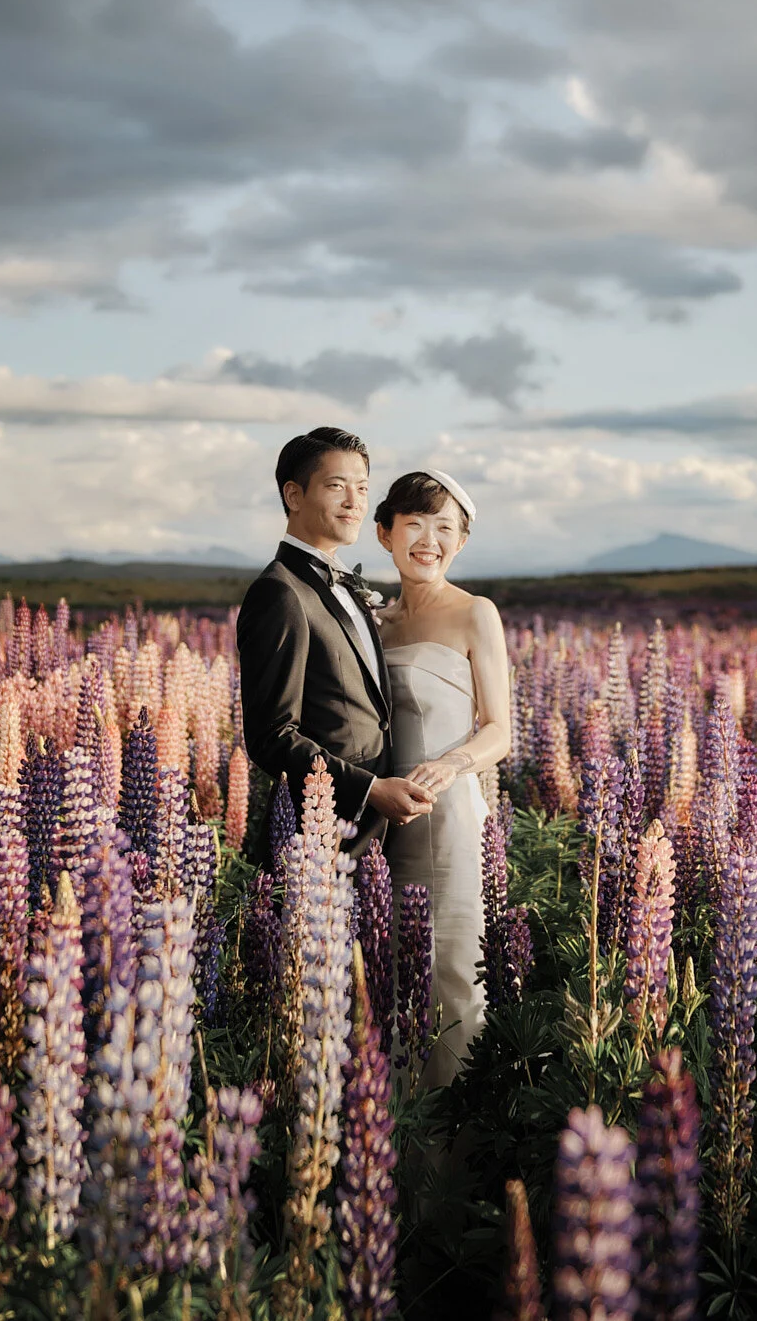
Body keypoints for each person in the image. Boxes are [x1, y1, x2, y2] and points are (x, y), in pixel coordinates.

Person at [372, 468, 511, 1088]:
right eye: (415, 524)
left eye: (445, 528)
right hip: (378, 816)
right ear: (386, 534)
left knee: (453, 970)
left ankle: (450, 1150)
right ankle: (396, 1144)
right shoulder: (374, 620)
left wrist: (453, 764)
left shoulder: (476, 613)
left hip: (450, 815)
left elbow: (499, 730)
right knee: (387, 973)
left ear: (460, 542)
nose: (429, 539)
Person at [236, 428, 435, 859]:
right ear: (293, 495)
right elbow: (271, 736)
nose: (354, 502)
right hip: (317, 841)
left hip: (377, 837)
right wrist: (370, 789)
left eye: (362, 488)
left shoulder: (345, 583)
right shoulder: (281, 592)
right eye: (336, 486)